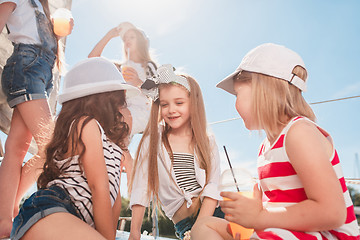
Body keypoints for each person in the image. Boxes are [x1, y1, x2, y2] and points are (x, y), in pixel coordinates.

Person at [191, 43, 360, 240]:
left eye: (237, 94)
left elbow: (333, 212)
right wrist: (252, 212)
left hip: (322, 235)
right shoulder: (265, 149)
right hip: (284, 231)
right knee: (205, 226)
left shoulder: (299, 133)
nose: (235, 104)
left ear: (263, 90)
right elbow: (278, 206)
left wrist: (261, 216)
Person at [10, 57, 140, 240]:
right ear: (102, 102)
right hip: (49, 210)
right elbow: (99, 186)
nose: (126, 110)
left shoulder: (116, 151)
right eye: (121, 103)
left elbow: (114, 198)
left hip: (74, 221)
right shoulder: (85, 124)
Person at [0, 1, 73, 238]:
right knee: (53, 147)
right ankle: (7, 210)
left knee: (17, 150)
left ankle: (6, 212)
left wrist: (62, 30)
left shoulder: (42, 7)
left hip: (41, 73)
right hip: (26, 67)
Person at [128, 64, 224, 240]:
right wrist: (135, 232)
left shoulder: (207, 140)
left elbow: (213, 185)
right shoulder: (152, 139)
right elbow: (140, 186)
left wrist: (200, 228)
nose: (171, 109)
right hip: (185, 225)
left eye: (179, 103)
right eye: (165, 104)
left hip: (215, 215)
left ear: (193, 103)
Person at [88, 22, 157, 186]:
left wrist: (139, 82)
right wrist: (109, 35)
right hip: (123, 112)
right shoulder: (121, 66)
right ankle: (123, 175)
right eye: (125, 38)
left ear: (142, 41)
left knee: (111, 142)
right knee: (112, 157)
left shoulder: (149, 66)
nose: (127, 40)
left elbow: (159, 94)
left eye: (132, 37)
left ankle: (129, 165)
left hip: (143, 111)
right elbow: (92, 60)